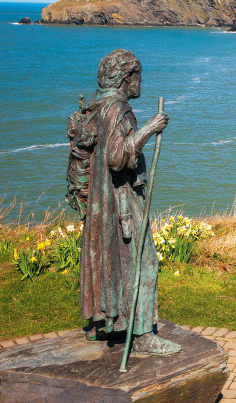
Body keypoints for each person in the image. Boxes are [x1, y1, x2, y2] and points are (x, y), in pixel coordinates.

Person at [78, 49, 180, 356]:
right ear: (126, 78)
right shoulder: (119, 110)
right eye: (138, 77)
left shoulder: (97, 105)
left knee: (109, 261)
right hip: (120, 201)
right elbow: (117, 157)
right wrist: (151, 127)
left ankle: (106, 323)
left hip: (102, 200)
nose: (140, 84)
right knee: (145, 262)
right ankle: (143, 335)